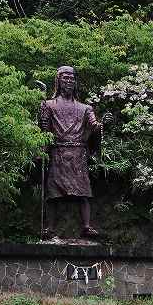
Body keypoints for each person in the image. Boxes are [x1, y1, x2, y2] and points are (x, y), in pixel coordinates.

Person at [38, 65, 105, 240]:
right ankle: (50, 228)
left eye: (71, 78)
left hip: (78, 153)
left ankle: (86, 226)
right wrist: (43, 146)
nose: (68, 81)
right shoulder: (48, 105)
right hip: (57, 151)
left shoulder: (85, 108)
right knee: (53, 194)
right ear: (58, 81)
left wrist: (102, 125)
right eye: (65, 78)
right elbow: (44, 132)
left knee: (83, 192)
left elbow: (94, 126)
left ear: (75, 82)